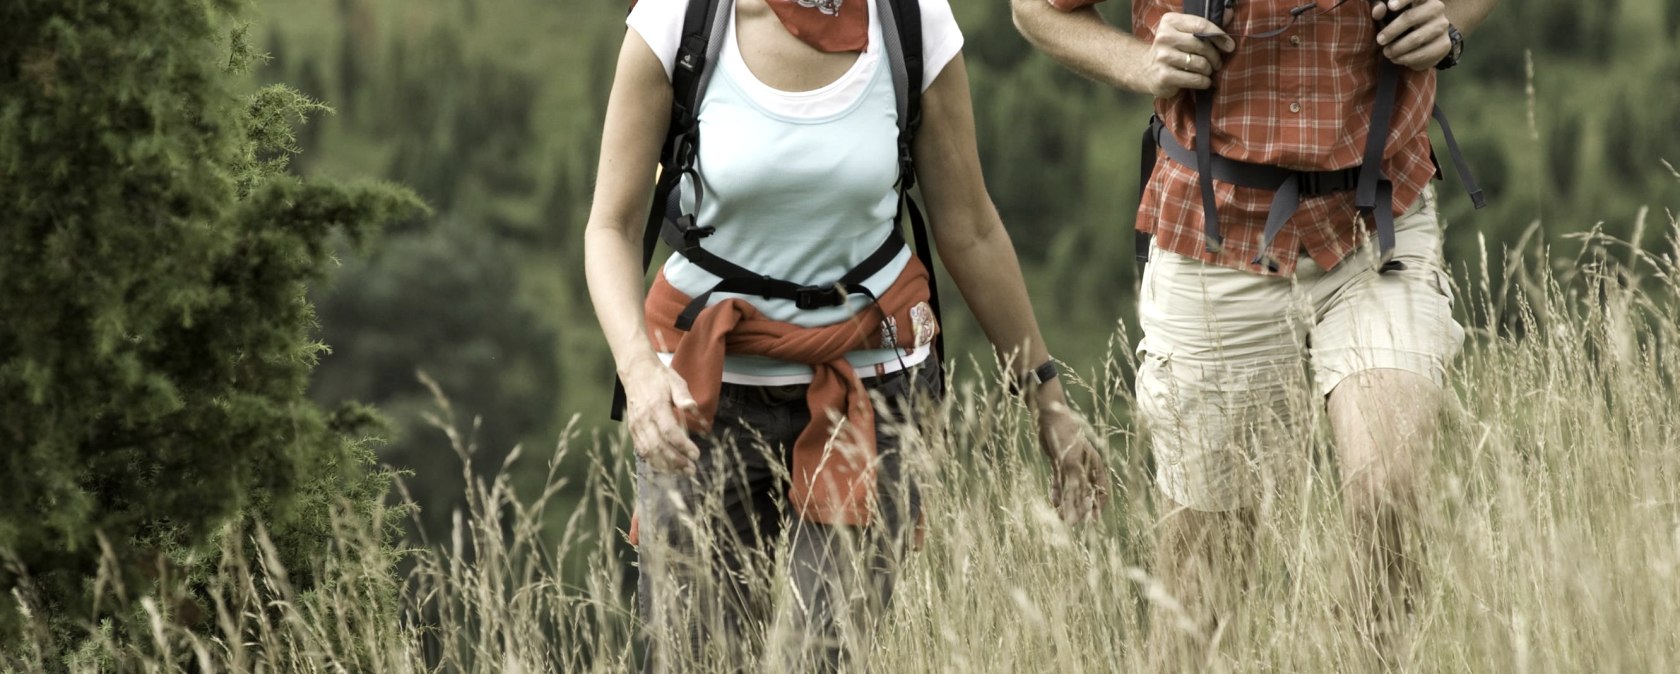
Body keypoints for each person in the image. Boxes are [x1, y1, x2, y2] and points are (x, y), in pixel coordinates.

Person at [584, 0, 1109, 670]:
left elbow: (970, 228)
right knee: (695, 657)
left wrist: (1049, 405)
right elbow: (612, 228)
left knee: (826, 659)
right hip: (704, 398)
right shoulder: (679, 21)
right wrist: (638, 370)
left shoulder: (912, 23)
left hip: (873, 391)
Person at [1011, 0, 1498, 665]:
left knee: (1390, 493)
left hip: (1375, 218)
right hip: (1213, 230)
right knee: (1200, 598)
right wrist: (1141, 62)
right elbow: (1037, 10)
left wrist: (1450, 23)